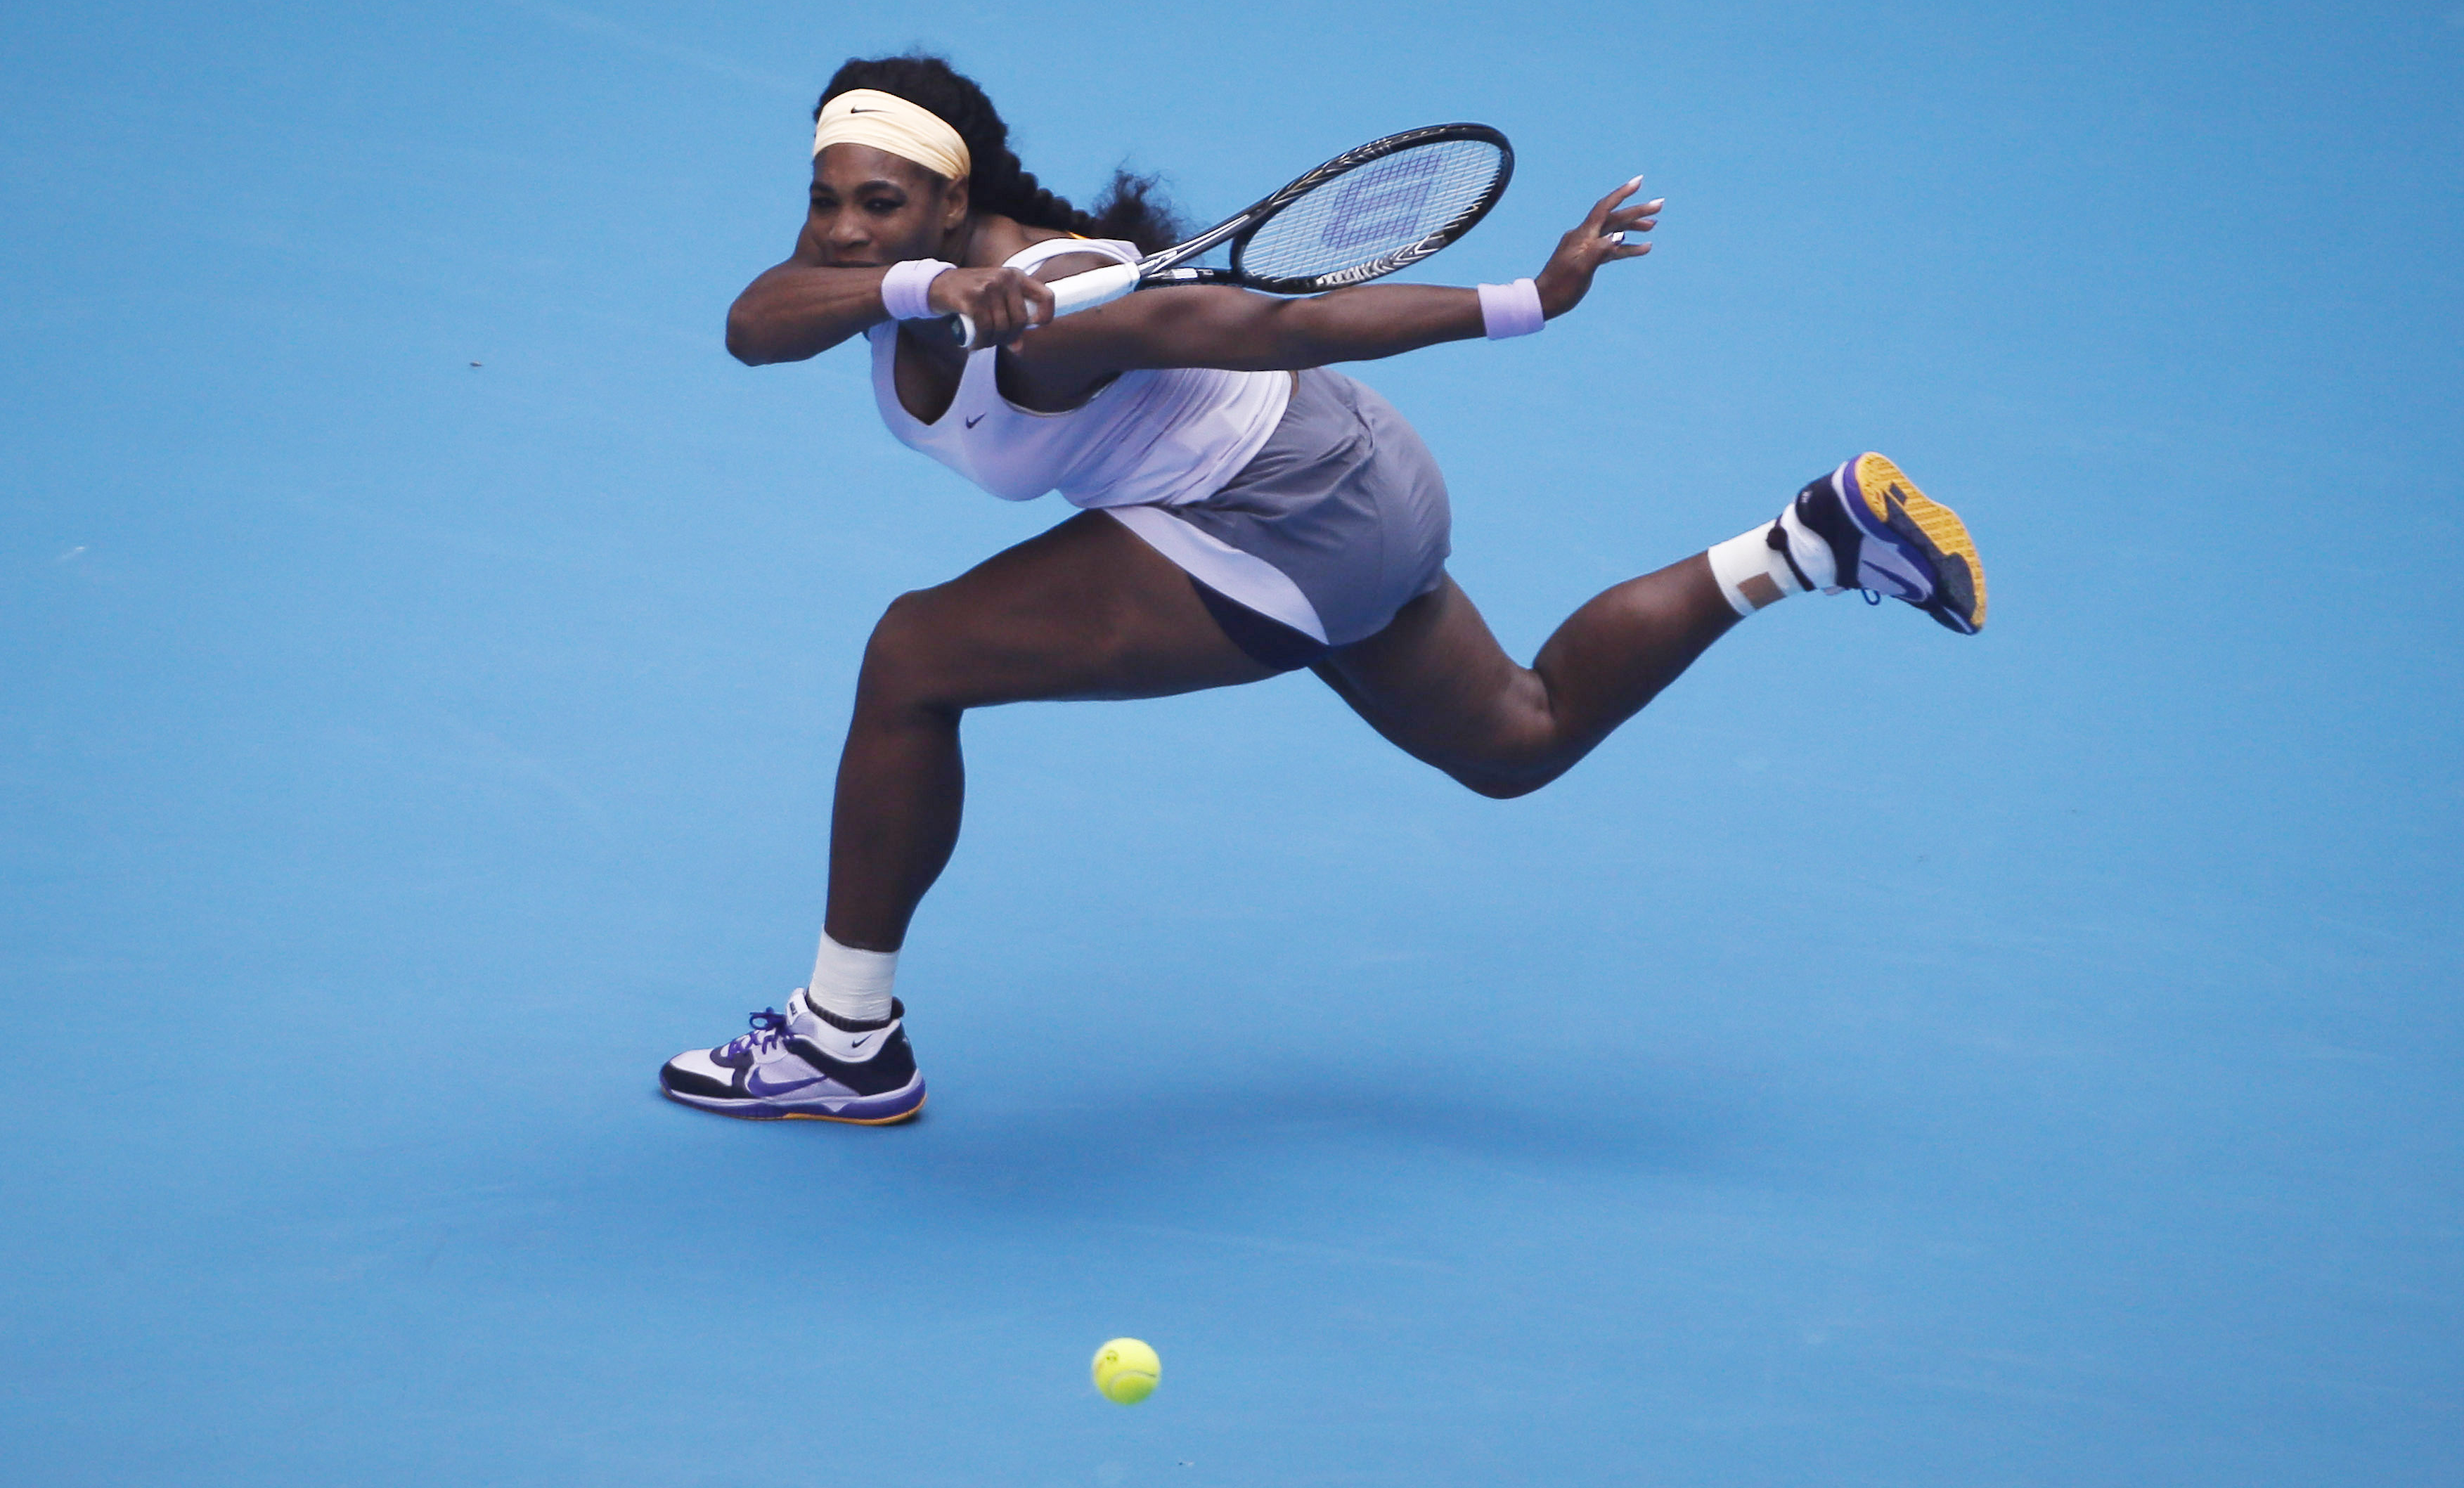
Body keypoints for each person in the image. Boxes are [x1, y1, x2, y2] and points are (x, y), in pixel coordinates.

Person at [658, 54, 1986, 1123]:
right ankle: (1809, 539)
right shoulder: (884, 270)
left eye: (879, 206)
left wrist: (1527, 298)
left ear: (953, 202)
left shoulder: (1066, 302)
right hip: (1337, 475)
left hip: (1284, 512)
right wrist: (915, 278)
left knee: (914, 654)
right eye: (826, 198)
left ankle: (844, 1041)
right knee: (1518, 738)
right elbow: (751, 323)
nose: (839, 229)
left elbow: (1269, 321)